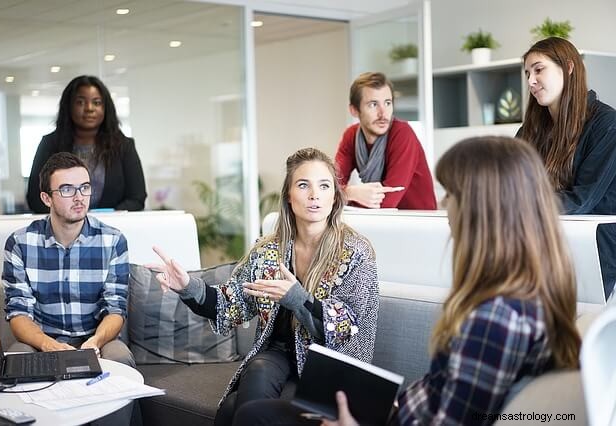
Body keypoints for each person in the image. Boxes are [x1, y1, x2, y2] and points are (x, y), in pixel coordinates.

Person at [233, 137, 581, 426]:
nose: (444, 205)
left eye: (452, 194)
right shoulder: (523, 295)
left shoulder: (496, 317)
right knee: (250, 410)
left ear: (482, 209)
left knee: (255, 417)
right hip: (399, 410)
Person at [148, 147, 379, 425]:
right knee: (257, 370)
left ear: (334, 197)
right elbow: (230, 303)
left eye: (324, 186)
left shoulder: (356, 252)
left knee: (234, 408)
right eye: (303, 185)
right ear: (289, 197)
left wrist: (296, 298)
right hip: (279, 353)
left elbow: (345, 327)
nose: (314, 195)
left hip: (331, 364)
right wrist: (187, 286)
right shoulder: (269, 249)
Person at [3, 152, 135, 368]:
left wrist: (95, 342)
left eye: (85, 187)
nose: (79, 197)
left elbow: (116, 309)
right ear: (47, 198)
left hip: (97, 340)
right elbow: (18, 313)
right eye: (67, 189)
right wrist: (49, 345)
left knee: (120, 358)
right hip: (41, 340)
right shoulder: (20, 243)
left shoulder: (113, 241)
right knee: (15, 359)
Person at [518, 36, 616, 299]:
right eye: (528, 73)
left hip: (595, 252)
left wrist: (517, 205)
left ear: (569, 67)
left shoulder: (607, 124)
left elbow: (582, 199)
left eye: (539, 69)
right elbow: (510, 183)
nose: (530, 81)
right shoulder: (530, 131)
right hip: (543, 243)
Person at [26, 75, 147, 213]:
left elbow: (137, 198)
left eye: (97, 102)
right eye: (80, 102)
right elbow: (35, 199)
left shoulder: (124, 146)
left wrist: (106, 218)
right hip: (62, 229)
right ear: (68, 106)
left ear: (106, 108)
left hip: (112, 227)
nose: (89, 108)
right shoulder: (50, 144)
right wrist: (71, 217)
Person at [335, 72, 436, 210]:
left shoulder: (402, 133)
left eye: (387, 103)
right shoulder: (351, 136)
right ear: (354, 110)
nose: (383, 113)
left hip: (418, 222)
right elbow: (330, 187)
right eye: (373, 104)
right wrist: (350, 193)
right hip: (381, 221)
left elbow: (388, 201)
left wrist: (345, 195)